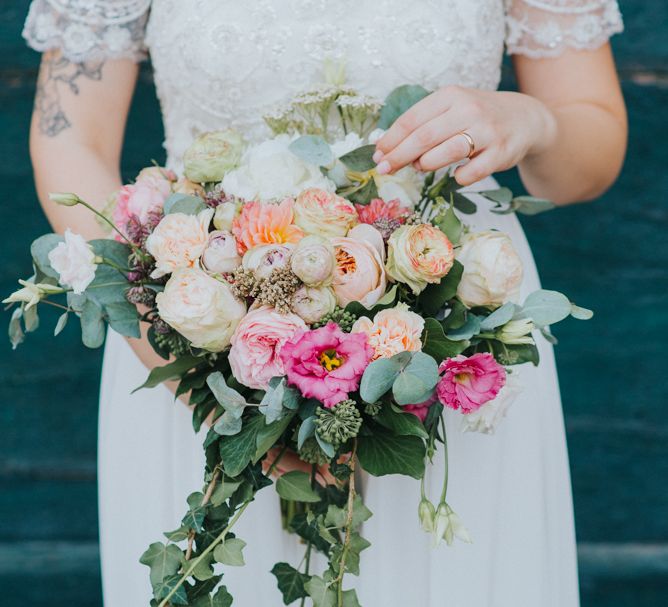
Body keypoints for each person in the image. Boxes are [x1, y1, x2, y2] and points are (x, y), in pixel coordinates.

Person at [23, 1, 627, 605]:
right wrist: (183, 359)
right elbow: (73, 139)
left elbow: (583, 162)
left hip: (454, 345)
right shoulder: (184, 351)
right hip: (195, 335)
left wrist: (531, 119)